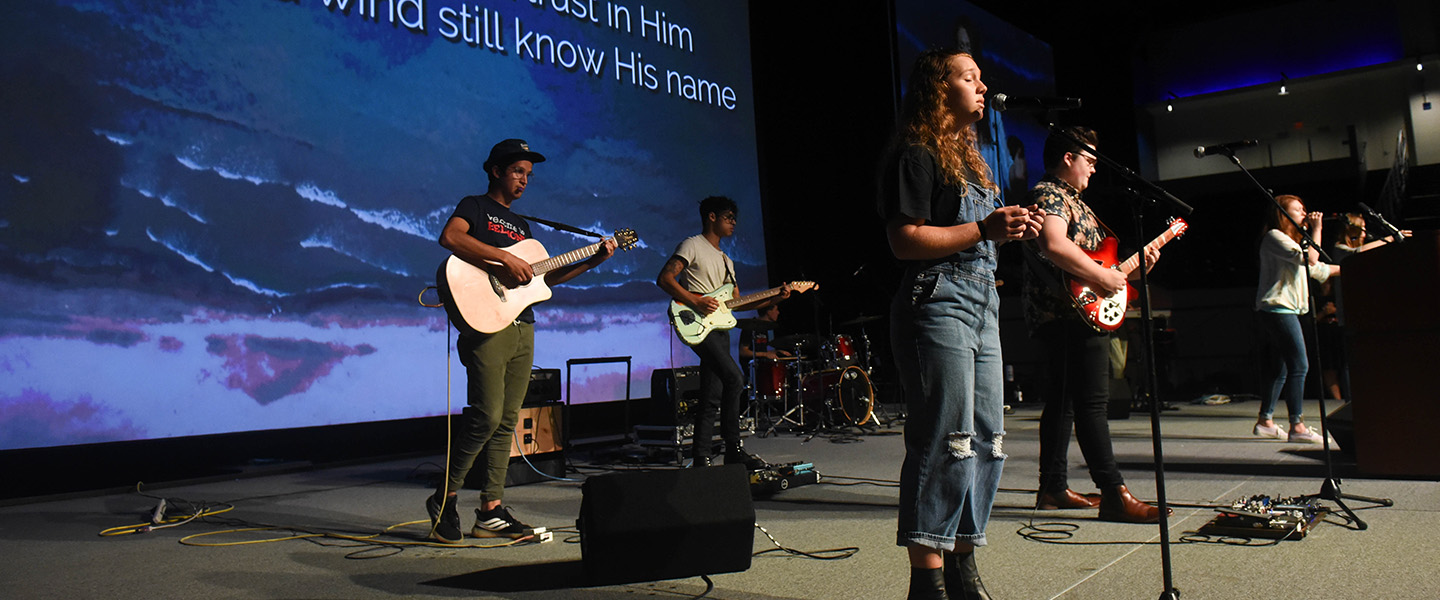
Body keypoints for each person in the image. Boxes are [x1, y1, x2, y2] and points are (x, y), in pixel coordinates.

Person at [880, 48, 1044, 600]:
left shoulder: (971, 158)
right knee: (944, 439)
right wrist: (983, 230)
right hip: (938, 300)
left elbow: (981, 235)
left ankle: (963, 565)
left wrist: (1011, 228)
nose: (981, 85)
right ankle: (926, 580)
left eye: (980, 76)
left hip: (983, 306)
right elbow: (905, 241)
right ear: (938, 88)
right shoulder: (916, 151)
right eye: (968, 76)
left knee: (988, 440)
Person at [426, 139, 617, 544]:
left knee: (507, 421)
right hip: (486, 321)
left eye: (528, 175)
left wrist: (593, 260)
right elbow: (451, 238)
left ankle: (489, 511)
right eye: (517, 171)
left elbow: (544, 280)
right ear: (495, 170)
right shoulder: (475, 206)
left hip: (521, 322)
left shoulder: (524, 228)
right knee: (486, 415)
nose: (524, 180)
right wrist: (503, 258)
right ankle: (445, 497)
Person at [1020, 126, 1170, 524]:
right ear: (1068, 157)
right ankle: (1114, 493)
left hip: (1068, 311)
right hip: (1066, 314)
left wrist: (1127, 274)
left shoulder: (1072, 200)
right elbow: (1052, 243)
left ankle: (1052, 487)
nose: (1094, 169)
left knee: (1065, 401)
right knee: (1091, 404)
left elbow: (1092, 268)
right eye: (1089, 160)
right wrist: (1104, 278)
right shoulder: (1050, 194)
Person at [656, 196, 787, 469]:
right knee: (735, 378)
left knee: (711, 394)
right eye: (728, 217)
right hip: (697, 324)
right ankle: (733, 449)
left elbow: (738, 303)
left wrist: (777, 297)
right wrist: (695, 300)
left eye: (735, 218)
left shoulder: (727, 261)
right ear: (711, 217)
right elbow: (665, 278)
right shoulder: (692, 245)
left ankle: (701, 457)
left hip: (720, 329)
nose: (734, 222)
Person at [1253, 195, 1337, 443]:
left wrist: (1358, 262)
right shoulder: (1274, 238)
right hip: (1278, 309)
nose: (1304, 213)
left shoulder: (1292, 243)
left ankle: (1265, 421)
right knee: (1300, 365)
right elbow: (1311, 259)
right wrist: (1317, 228)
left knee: (1281, 368)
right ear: (1283, 214)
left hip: (1282, 310)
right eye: (1298, 209)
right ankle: (1297, 427)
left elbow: (1318, 269)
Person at [1316, 213, 1410, 401]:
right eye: (1362, 228)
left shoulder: (1366, 249)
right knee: (1351, 362)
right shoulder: (1339, 249)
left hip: (1369, 310)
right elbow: (1355, 254)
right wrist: (1389, 239)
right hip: (1350, 313)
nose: (1365, 233)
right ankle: (1354, 401)